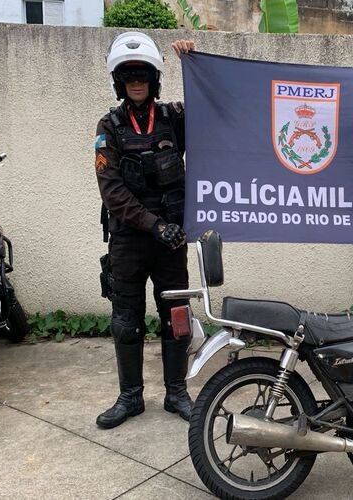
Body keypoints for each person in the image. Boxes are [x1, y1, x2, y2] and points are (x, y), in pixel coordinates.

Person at [94, 33, 197, 429]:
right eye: (128, 75)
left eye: (143, 74)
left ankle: (176, 393)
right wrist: (154, 225)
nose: (136, 81)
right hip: (131, 240)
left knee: (176, 316)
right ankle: (130, 397)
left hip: (172, 239)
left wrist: (192, 63)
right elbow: (112, 191)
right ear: (119, 82)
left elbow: (211, 113)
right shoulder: (109, 127)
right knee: (126, 318)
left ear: (155, 79)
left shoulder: (174, 118)